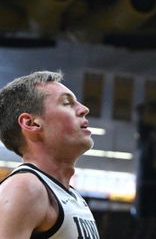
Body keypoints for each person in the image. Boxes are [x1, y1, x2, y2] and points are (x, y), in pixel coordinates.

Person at [0, 71, 99, 238]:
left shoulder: (71, 196)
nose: (84, 109)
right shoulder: (25, 188)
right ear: (31, 123)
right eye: (67, 103)